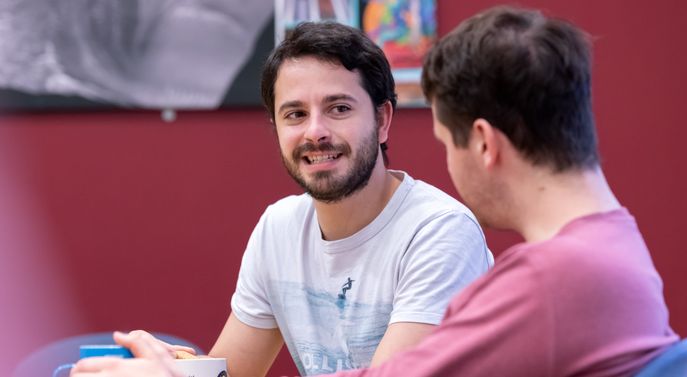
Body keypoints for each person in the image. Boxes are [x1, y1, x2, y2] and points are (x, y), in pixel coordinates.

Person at [71, 5, 680, 377]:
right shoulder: (604, 256)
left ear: (485, 145)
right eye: (292, 114)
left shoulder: (555, 281)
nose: (315, 132)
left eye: (445, 140)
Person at [70, 20, 492, 377]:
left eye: (339, 108)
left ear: (382, 121)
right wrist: (170, 367)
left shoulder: (440, 232)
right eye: (295, 114)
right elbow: (233, 372)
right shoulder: (280, 228)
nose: (315, 132)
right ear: (275, 128)